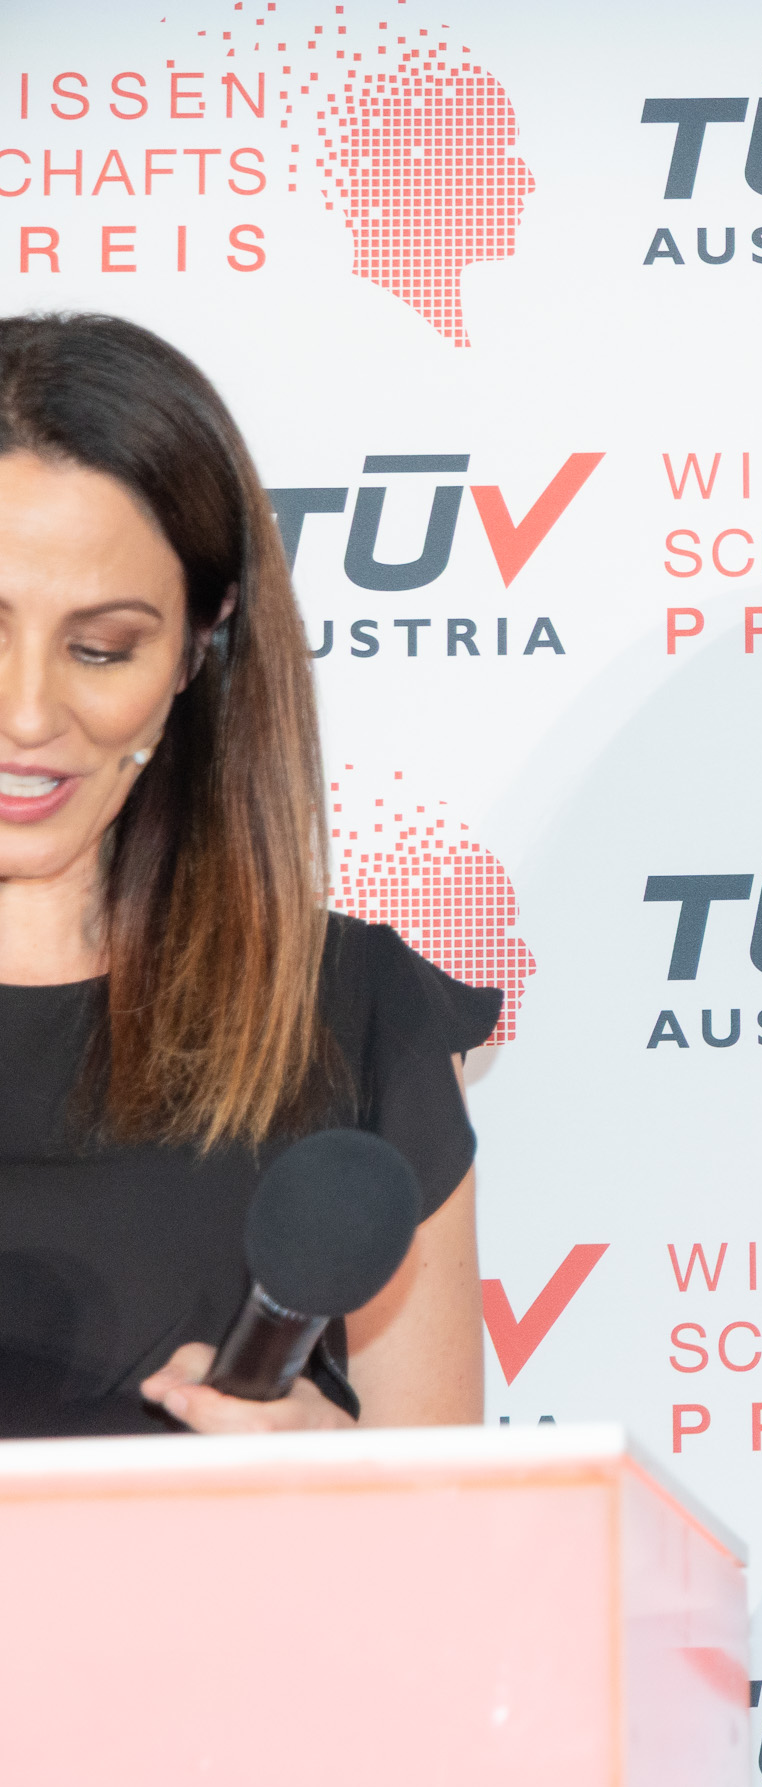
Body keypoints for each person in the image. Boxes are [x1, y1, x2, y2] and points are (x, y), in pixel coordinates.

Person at [0, 314, 494, 1435]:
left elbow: (452, 1514)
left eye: (100, 648)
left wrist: (338, 1468)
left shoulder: (349, 1013)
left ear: (197, 644)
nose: (29, 714)